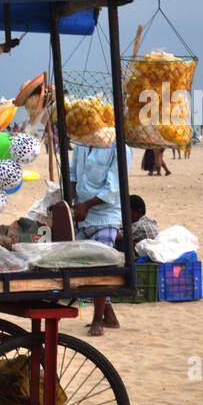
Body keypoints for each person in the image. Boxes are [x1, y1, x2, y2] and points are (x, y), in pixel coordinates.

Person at [70, 140, 131, 337]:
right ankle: (110, 316)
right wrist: (73, 202)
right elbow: (72, 175)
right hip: (82, 216)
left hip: (107, 216)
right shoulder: (80, 145)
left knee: (101, 265)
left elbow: (113, 189)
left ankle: (98, 320)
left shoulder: (119, 148)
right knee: (86, 266)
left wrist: (86, 205)